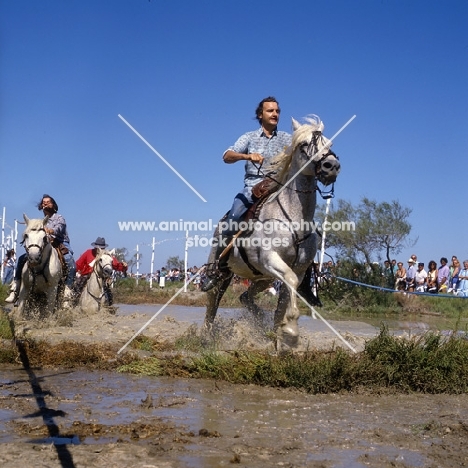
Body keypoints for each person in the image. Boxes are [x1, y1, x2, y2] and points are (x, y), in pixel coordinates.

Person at [202, 97, 295, 292]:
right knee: (232, 220)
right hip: (253, 189)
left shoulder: (287, 139)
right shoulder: (249, 137)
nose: (275, 114)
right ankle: (217, 269)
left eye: (277, 111)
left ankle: (306, 275)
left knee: (304, 227)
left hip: (280, 191)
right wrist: (247, 156)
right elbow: (226, 156)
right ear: (260, 115)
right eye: (270, 111)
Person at [5, 194, 76, 303]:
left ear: (53, 205)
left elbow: (59, 228)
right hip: (44, 243)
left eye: (48, 202)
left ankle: (67, 289)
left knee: (70, 261)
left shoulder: (59, 217)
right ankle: (15, 287)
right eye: (43, 202)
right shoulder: (41, 221)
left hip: (60, 243)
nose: (45, 203)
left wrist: (50, 230)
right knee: (21, 259)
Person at [72, 237, 127, 306]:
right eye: (98, 247)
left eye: (102, 247)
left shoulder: (107, 255)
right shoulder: (88, 253)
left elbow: (116, 265)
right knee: (77, 287)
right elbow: (78, 264)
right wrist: (73, 271)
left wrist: (123, 266)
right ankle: (73, 304)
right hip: (86, 276)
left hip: (102, 278)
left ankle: (109, 308)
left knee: (108, 293)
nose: (100, 249)